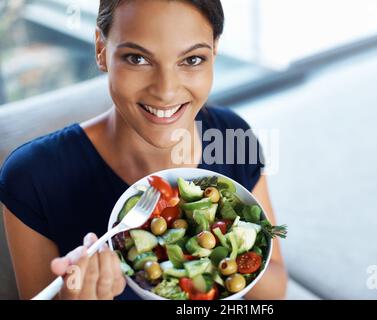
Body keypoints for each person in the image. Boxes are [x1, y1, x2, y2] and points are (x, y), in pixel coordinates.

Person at [0, 0, 287, 300]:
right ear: (101, 49)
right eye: (137, 58)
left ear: (215, 50)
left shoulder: (231, 135)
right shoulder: (32, 177)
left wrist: (232, 246)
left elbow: (273, 291)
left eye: (191, 60)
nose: (165, 91)